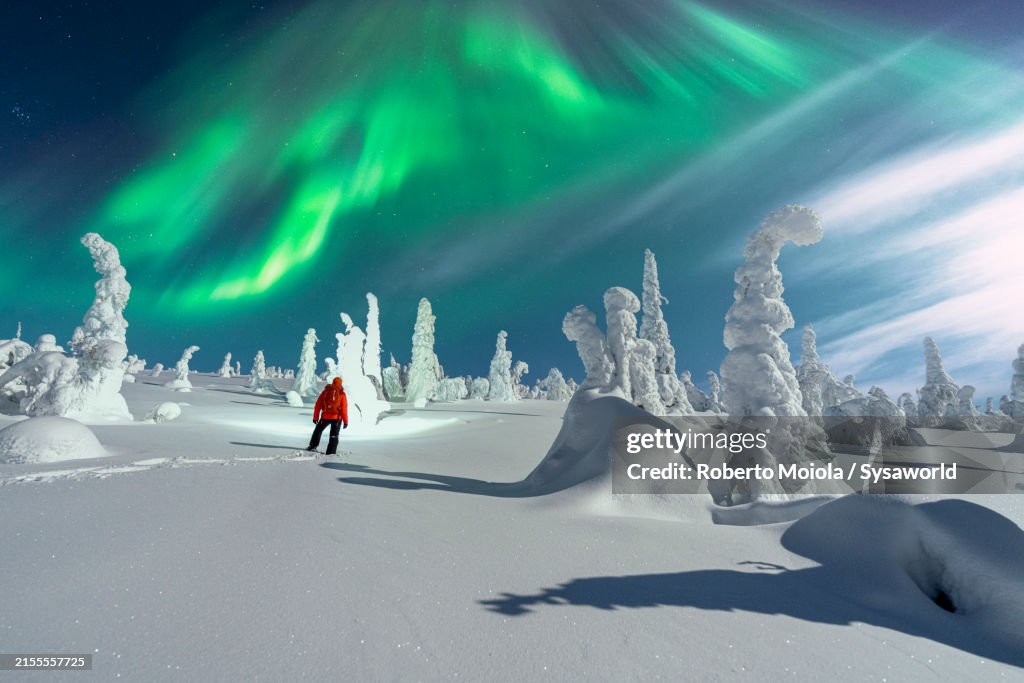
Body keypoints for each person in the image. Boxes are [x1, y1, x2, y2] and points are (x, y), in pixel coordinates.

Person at [307, 377, 348, 455]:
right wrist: (345, 421)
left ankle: (313, 446)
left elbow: (318, 405)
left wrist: (315, 417)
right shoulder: (342, 393)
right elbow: (344, 409)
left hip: (325, 417)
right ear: (340, 383)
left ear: (333, 382)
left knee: (317, 431)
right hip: (337, 418)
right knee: (334, 435)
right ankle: (331, 452)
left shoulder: (326, 391)